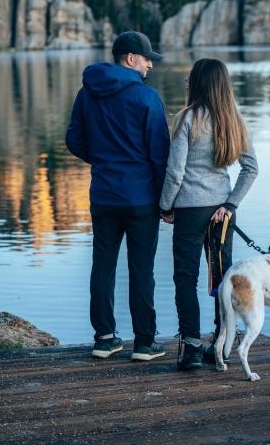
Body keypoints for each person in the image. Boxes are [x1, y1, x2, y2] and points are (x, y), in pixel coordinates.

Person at [66, 31, 170, 361]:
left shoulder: (87, 93)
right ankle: (144, 342)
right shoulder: (147, 98)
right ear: (129, 58)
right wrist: (166, 201)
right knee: (141, 270)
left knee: (103, 267)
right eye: (146, 58)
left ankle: (104, 338)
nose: (150, 64)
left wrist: (102, 159)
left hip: (104, 196)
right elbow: (159, 155)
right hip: (140, 199)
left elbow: (74, 140)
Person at [160, 58, 259, 371]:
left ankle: (190, 348)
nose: (186, 80)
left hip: (189, 210)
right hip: (221, 214)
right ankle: (222, 345)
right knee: (222, 278)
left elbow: (175, 171)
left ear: (201, 82)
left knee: (185, 279)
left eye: (191, 76)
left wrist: (165, 205)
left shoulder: (188, 117)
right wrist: (230, 205)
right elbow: (251, 169)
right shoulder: (234, 120)